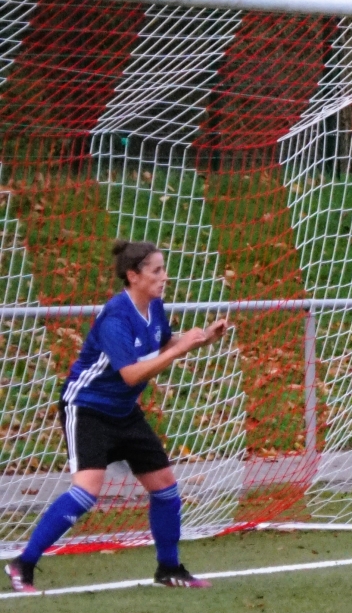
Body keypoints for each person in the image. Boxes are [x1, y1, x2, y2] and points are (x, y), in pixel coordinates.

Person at [5, 241, 230, 592]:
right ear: (133, 275)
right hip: (88, 408)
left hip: (124, 411)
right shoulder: (115, 317)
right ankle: (23, 564)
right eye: (156, 270)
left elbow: (162, 346)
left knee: (165, 488)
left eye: (163, 269)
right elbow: (131, 374)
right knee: (86, 492)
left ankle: (169, 568)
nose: (164, 277)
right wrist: (182, 349)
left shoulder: (154, 306)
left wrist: (201, 340)